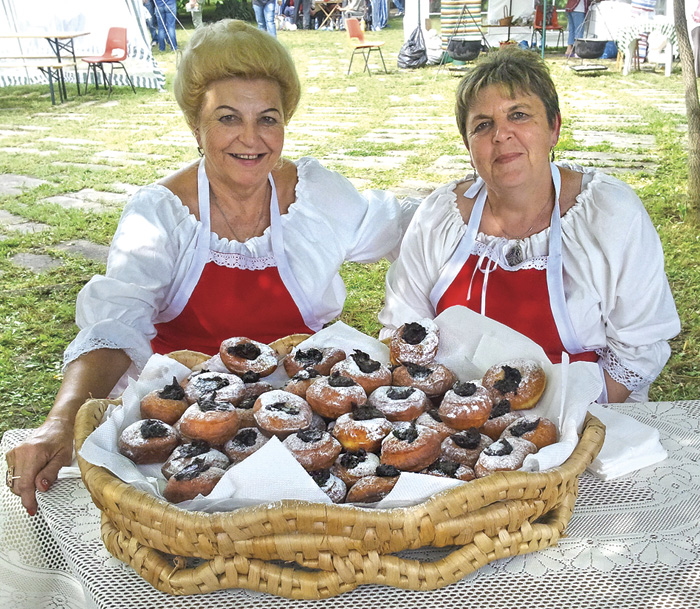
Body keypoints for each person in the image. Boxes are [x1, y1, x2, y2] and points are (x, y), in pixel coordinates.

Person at [6, 19, 414, 516]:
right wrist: (60, 421)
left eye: (268, 118)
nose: (251, 138)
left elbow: (406, 226)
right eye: (227, 118)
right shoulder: (162, 214)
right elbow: (114, 324)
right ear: (194, 125)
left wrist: (487, 196)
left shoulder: (314, 195)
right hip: (185, 441)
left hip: (304, 428)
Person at [379, 47, 680, 405]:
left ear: (554, 128)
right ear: (467, 145)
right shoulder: (440, 218)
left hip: (587, 417)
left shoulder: (608, 214)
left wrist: (558, 427)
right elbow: (404, 333)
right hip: (458, 424)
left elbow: (638, 350)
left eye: (519, 115)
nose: (501, 135)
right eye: (483, 125)